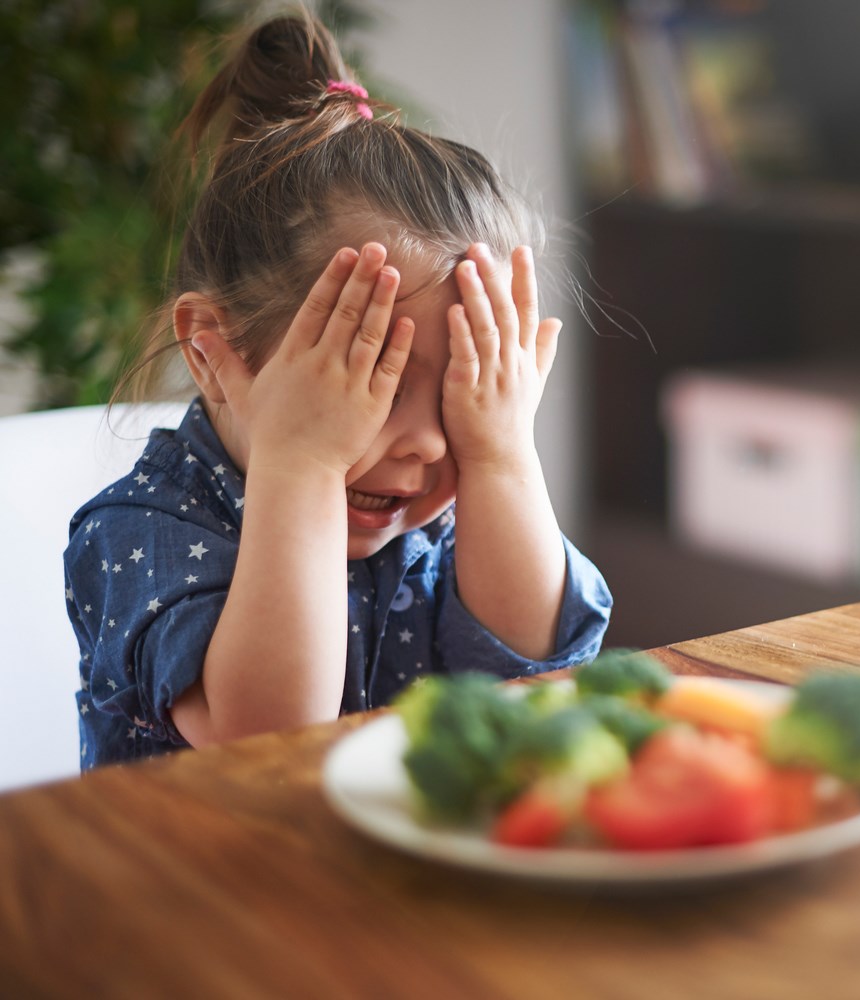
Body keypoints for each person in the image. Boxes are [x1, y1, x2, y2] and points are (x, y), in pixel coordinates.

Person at [63, 11, 612, 769]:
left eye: (461, 395)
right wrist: (304, 466)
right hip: (193, 878)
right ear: (213, 352)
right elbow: (269, 737)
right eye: (375, 389)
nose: (426, 441)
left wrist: (500, 456)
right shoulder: (141, 531)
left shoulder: (449, 510)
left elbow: (539, 667)